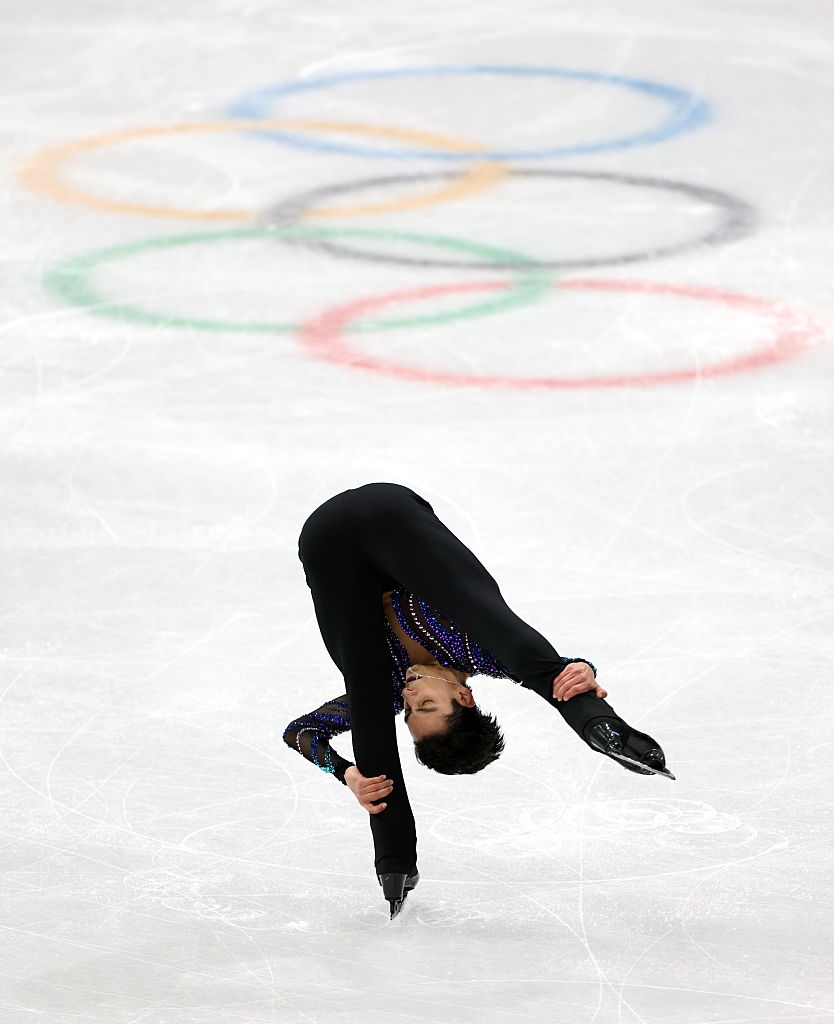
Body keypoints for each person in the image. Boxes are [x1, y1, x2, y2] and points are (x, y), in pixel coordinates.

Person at [284, 482, 673, 915]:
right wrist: (583, 669)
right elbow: (546, 669)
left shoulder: (388, 684)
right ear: (464, 697)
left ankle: (393, 858)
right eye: (427, 705)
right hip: (389, 514)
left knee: (368, 698)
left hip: (326, 541)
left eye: (410, 713)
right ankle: (602, 726)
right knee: (516, 647)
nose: (409, 697)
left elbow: (302, 732)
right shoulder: (477, 652)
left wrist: (349, 775)